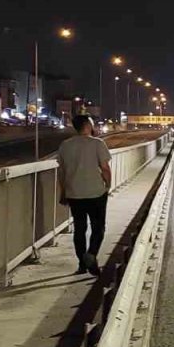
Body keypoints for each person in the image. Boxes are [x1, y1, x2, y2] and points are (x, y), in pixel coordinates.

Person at [57, 114, 112, 277]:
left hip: (74, 193)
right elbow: (105, 168)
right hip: (96, 192)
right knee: (98, 228)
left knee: (79, 229)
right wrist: (107, 185)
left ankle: (82, 263)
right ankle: (91, 254)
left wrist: (63, 192)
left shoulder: (65, 145)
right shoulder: (97, 143)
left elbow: (62, 172)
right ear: (88, 125)